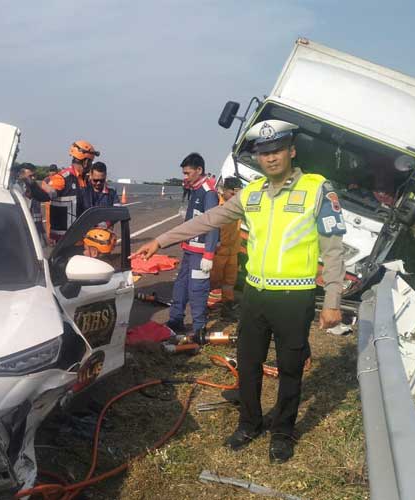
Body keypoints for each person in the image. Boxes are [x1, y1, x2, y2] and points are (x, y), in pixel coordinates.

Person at [132, 120, 345, 463]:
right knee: (248, 364)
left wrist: (332, 301)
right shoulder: (254, 193)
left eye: (277, 151)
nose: (271, 159)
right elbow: (209, 219)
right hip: (256, 297)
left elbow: (334, 250)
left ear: (291, 151)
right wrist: (161, 239)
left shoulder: (317, 189)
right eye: (264, 153)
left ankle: (283, 432)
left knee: (290, 368)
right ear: (258, 158)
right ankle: (249, 423)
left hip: (295, 297)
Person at [166, 153, 219, 335]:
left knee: (197, 291)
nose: (185, 177)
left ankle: (198, 329)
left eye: (188, 173)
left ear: (199, 170)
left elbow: (213, 224)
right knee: (180, 286)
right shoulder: (195, 189)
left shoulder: (208, 192)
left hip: (200, 253)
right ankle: (175, 320)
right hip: (189, 250)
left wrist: (209, 255)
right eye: (184, 173)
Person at [43, 140, 100, 241]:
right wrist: (39, 186)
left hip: (79, 239)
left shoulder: (85, 181)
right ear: (86, 162)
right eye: (91, 162)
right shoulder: (62, 178)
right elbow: (48, 194)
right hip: (64, 242)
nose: (91, 165)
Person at [208, 177, 242, 313]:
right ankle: (206, 306)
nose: (234, 197)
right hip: (219, 252)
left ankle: (227, 304)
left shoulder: (239, 206)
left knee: (229, 281)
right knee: (212, 280)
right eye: (232, 194)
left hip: (232, 251)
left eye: (237, 194)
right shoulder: (216, 206)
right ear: (225, 191)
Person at [17, 163, 47, 243]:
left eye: (35, 175)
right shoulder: (15, 191)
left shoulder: (35, 190)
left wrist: (44, 235)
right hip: (21, 234)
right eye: (30, 176)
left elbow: (38, 217)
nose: (34, 178)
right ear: (21, 175)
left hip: (35, 234)